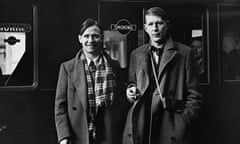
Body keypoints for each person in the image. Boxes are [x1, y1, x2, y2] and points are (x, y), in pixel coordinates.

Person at [122, 7, 202, 144]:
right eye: (151, 24)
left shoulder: (185, 53)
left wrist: (181, 122)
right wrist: (130, 91)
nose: (155, 28)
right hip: (142, 123)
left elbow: (195, 97)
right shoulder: (136, 54)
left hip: (169, 126)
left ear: (167, 25)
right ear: (146, 28)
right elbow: (131, 83)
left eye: (159, 23)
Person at [55, 18, 128, 144]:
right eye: (86, 36)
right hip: (78, 133)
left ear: (102, 38)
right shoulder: (67, 68)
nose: (90, 41)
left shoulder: (114, 65)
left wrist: (116, 122)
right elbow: (60, 106)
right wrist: (64, 136)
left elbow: (121, 99)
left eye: (95, 36)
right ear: (80, 39)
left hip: (108, 133)